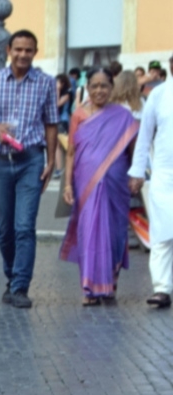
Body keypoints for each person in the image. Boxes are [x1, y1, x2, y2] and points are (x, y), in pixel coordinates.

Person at [0, 29, 58, 308]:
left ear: (35, 51)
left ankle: (20, 286)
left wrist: (51, 159)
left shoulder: (45, 83)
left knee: (24, 226)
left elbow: (52, 123)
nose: (22, 55)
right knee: (5, 228)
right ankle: (11, 277)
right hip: (0, 163)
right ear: (9, 49)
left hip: (31, 160)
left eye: (28, 50)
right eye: (18, 49)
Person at [60, 68, 139, 305]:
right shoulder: (79, 115)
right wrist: (67, 185)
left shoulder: (123, 116)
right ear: (88, 87)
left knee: (115, 232)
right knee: (89, 231)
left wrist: (135, 176)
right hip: (86, 182)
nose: (99, 91)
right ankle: (89, 288)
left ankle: (110, 283)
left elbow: (133, 150)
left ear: (112, 87)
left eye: (104, 86)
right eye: (94, 86)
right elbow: (71, 152)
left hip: (116, 183)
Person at [129, 54, 173, 309]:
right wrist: (137, 172)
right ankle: (162, 288)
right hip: (164, 174)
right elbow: (144, 135)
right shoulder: (158, 95)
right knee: (162, 231)